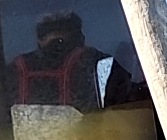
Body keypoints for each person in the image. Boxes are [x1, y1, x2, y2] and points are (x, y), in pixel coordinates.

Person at [9, 9, 145, 111]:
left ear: (39, 41)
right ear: (81, 38)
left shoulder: (11, 71)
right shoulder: (99, 62)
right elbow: (133, 102)